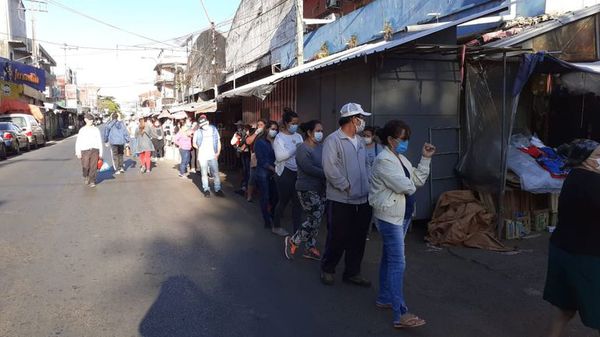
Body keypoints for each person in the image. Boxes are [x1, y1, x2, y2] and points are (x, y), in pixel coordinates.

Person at [369, 120, 435, 329]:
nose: (406, 142)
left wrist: (425, 159)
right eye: (403, 139)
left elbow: (418, 179)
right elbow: (407, 185)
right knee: (398, 263)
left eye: (407, 138)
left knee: (389, 259)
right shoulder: (383, 161)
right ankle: (400, 313)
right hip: (389, 218)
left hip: (402, 216)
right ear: (390, 139)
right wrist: (411, 183)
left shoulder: (401, 158)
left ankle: (384, 298)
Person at [544, 139, 600, 337]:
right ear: (586, 160)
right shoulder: (593, 182)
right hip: (586, 256)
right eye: (598, 155)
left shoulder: (574, 177)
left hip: (562, 250)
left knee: (564, 308)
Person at [320, 102, 372, 287]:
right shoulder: (333, 140)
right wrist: (345, 185)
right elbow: (329, 168)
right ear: (352, 119)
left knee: (358, 238)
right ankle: (328, 269)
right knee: (337, 236)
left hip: (362, 198)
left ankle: (352, 272)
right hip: (341, 199)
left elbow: (366, 164)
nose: (363, 121)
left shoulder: (360, 141)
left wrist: (368, 183)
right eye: (361, 118)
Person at [284, 120, 326, 261]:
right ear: (309, 132)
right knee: (315, 217)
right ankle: (293, 240)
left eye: (321, 130)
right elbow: (308, 168)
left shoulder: (321, 147)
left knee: (316, 218)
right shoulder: (302, 148)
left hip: (320, 187)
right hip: (306, 188)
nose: (321, 133)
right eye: (318, 130)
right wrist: (328, 173)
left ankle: (310, 246)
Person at [272, 108, 303, 237]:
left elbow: (302, 152)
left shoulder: (299, 136)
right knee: (283, 201)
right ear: (285, 123)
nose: (295, 126)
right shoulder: (279, 138)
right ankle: (276, 226)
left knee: (298, 203)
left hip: (298, 173)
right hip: (284, 173)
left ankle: (297, 231)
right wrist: (294, 150)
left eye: (297, 123)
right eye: (293, 123)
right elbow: (279, 157)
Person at [255, 121, 279, 229]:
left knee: (275, 196)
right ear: (267, 129)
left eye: (276, 129)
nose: (274, 131)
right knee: (265, 196)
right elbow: (261, 160)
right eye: (272, 129)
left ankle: (273, 215)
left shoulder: (277, 141)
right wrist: (272, 168)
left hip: (274, 172)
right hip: (263, 172)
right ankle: (266, 220)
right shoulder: (260, 142)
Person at [193, 115, 224, 198]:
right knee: (204, 173)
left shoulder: (213, 129)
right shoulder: (197, 132)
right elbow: (194, 143)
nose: (204, 126)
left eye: (205, 124)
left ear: (208, 122)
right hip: (203, 156)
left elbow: (218, 141)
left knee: (215, 173)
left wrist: (218, 153)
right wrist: (201, 148)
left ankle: (218, 189)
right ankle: (206, 189)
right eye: (202, 125)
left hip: (212, 155)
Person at [75, 113, 104, 188]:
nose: (91, 121)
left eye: (92, 120)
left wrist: (101, 152)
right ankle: (86, 176)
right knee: (85, 166)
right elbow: (78, 142)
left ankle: (92, 180)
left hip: (95, 149)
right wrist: (78, 152)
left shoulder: (96, 129)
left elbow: (99, 141)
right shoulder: (82, 130)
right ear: (85, 120)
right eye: (89, 120)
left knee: (93, 166)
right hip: (84, 150)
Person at [244, 120, 266, 202]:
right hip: (255, 157)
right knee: (252, 177)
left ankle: (264, 196)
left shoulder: (267, 134)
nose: (259, 126)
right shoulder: (255, 133)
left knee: (264, 178)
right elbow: (248, 141)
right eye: (258, 125)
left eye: (261, 125)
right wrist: (256, 133)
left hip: (265, 157)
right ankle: (249, 195)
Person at [231, 120, 251, 196]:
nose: (238, 127)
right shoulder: (238, 133)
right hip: (242, 153)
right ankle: (244, 187)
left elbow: (245, 142)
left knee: (247, 171)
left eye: (240, 125)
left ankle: (245, 188)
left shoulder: (246, 133)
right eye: (238, 125)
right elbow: (232, 142)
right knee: (244, 170)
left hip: (247, 153)